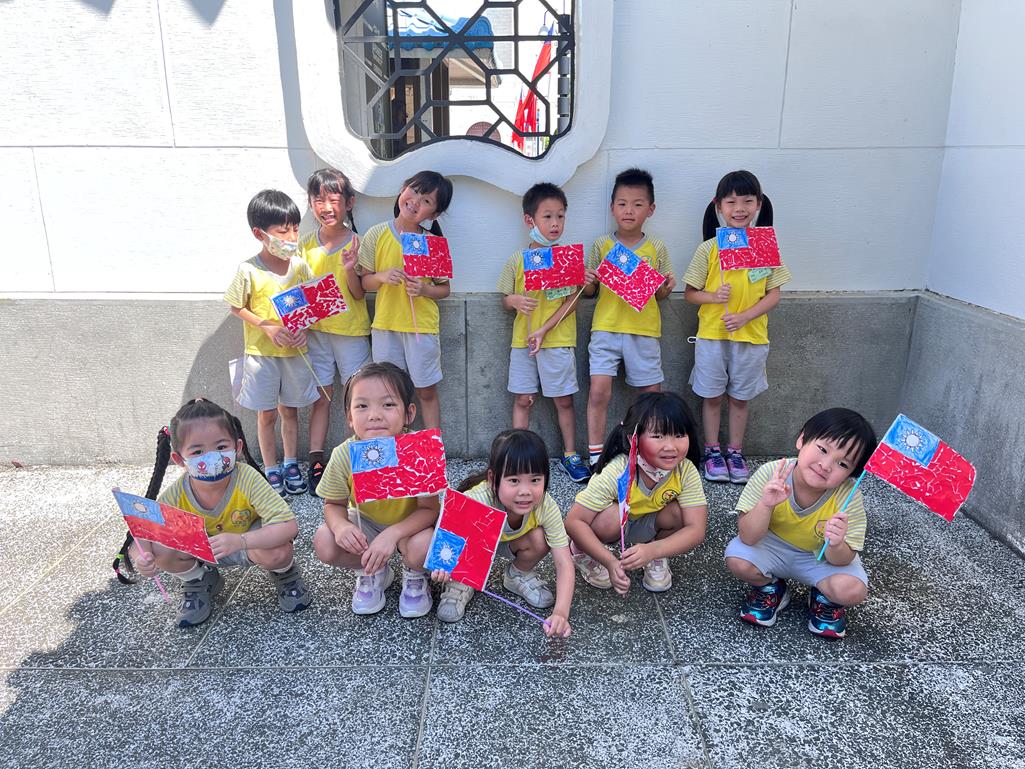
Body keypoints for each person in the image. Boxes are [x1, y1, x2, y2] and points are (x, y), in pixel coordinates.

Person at [130, 398, 310, 627]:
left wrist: (241, 540)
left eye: (221, 447)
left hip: (250, 543)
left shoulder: (248, 478)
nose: (212, 456)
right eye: (197, 451)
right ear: (179, 459)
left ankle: (285, 573)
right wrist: (141, 557)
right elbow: (142, 534)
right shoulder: (176, 494)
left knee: (278, 548)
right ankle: (197, 579)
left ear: (238, 447)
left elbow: (288, 525)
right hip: (202, 550)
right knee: (159, 548)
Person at [725, 407, 877, 639]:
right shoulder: (773, 473)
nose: (826, 465)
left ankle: (824, 599)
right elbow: (748, 536)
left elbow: (843, 559)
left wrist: (836, 544)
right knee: (737, 559)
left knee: (852, 590)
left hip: (818, 556)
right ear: (802, 439)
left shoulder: (848, 496)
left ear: (851, 474)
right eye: (823, 449)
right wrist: (765, 505)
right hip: (772, 547)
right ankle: (771, 587)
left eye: (843, 464)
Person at [683, 170, 791, 484]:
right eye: (731, 202)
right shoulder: (708, 249)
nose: (739, 208)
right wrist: (714, 297)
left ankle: (735, 451)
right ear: (719, 206)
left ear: (759, 204)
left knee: (741, 397)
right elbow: (690, 293)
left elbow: (774, 294)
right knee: (712, 395)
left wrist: (745, 316)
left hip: (751, 337)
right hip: (712, 335)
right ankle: (712, 451)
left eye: (747, 201)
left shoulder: (765, 246)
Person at [312, 362, 440, 618]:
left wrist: (393, 534)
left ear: (409, 413)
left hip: (411, 528)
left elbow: (429, 509)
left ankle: (415, 574)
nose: (374, 415)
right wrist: (341, 527)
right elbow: (333, 504)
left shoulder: (420, 450)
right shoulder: (344, 454)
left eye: (388, 404)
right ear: (349, 417)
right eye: (362, 406)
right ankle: (372, 569)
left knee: (425, 546)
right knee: (324, 540)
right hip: (366, 523)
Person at [432, 429, 575, 637]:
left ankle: (517, 574)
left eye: (535, 480)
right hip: (472, 546)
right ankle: (461, 582)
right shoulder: (475, 500)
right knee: (459, 548)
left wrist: (561, 613)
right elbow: (445, 545)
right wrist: (444, 568)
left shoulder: (545, 505)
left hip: (511, 542)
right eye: (514, 480)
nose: (525, 491)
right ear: (493, 478)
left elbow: (564, 563)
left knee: (540, 539)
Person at [565, 392, 708, 595]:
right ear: (633, 438)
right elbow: (574, 521)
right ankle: (581, 551)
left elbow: (696, 529)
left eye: (679, 435)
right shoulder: (617, 471)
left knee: (679, 513)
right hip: (612, 524)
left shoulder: (685, 470)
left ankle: (654, 554)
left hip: (648, 524)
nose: (671, 446)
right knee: (611, 518)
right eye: (658, 436)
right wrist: (610, 561)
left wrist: (654, 550)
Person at [224, 189, 317, 496]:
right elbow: (235, 306)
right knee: (266, 413)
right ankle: (271, 467)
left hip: (294, 353)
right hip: (260, 355)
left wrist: (304, 329)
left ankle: (290, 463)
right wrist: (266, 327)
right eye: (282, 231)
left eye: (295, 229)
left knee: (290, 410)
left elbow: (310, 307)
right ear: (259, 234)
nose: (291, 237)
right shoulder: (248, 269)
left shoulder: (300, 266)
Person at [497, 182, 592, 483]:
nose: (555, 223)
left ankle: (570, 454)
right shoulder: (517, 259)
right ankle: (516, 457)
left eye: (560, 216)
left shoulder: (568, 258)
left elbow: (573, 302)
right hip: (522, 341)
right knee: (523, 398)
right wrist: (515, 300)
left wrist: (544, 329)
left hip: (558, 340)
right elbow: (504, 299)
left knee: (563, 399)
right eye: (548, 216)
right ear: (530, 220)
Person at [583, 168, 675, 468]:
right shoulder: (602, 245)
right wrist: (586, 281)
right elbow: (590, 292)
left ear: (651, 209)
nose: (629, 210)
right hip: (605, 329)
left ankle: (645, 450)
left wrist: (666, 287)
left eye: (637, 204)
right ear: (612, 207)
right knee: (599, 391)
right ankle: (596, 454)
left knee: (650, 395)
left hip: (644, 330)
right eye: (622, 203)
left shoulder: (656, 247)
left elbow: (660, 295)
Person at [358, 171, 454, 430]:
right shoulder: (376, 234)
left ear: (433, 214)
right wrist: (381, 277)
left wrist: (424, 289)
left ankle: (433, 445)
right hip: (386, 326)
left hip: (421, 327)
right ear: (403, 189)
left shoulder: (433, 243)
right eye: (414, 191)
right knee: (389, 394)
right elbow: (364, 282)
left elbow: (444, 289)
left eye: (427, 201)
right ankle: (395, 444)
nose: (416, 201)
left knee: (426, 391)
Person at [300, 168, 372, 497]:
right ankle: (316, 460)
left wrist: (349, 269)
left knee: (358, 397)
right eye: (319, 200)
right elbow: (296, 292)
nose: (326, 207)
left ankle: (356, 461)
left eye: (333, 199)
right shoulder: (304, 246)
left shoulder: (358, 242)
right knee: (321, 397)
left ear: (349, 203)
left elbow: (358, 294)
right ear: (310, 204)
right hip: (316, 333)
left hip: (351, 332)